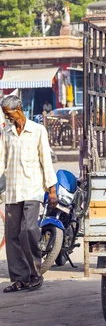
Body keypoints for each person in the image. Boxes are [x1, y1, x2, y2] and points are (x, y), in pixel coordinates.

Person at [0, 95, 58, 293]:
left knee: (28, 229)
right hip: (13, 190)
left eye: (9, 114)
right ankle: (20, 278)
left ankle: (35, 272)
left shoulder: (37, 130)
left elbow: (46, 161)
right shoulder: (6, 133)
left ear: (19, 109)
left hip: (32, 189)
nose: (8, 118)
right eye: (5, 115)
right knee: (13, 234)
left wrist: (52, 188)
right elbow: (1, 161)